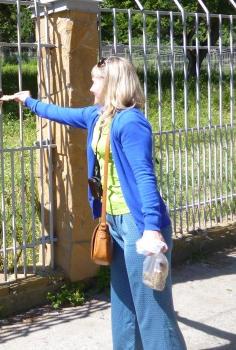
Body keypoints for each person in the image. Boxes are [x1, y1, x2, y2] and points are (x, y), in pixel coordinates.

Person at [13, 56, 186, 350]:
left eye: (96, 81)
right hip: (112, 221)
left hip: (138, 224)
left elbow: (145, 177)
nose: (91, 87)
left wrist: (152, 228)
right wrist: (30, 101)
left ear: (113, 84)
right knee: (122, 302)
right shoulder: (99, 116)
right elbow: (61, 114)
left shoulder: (132, 122)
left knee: (151, 308)